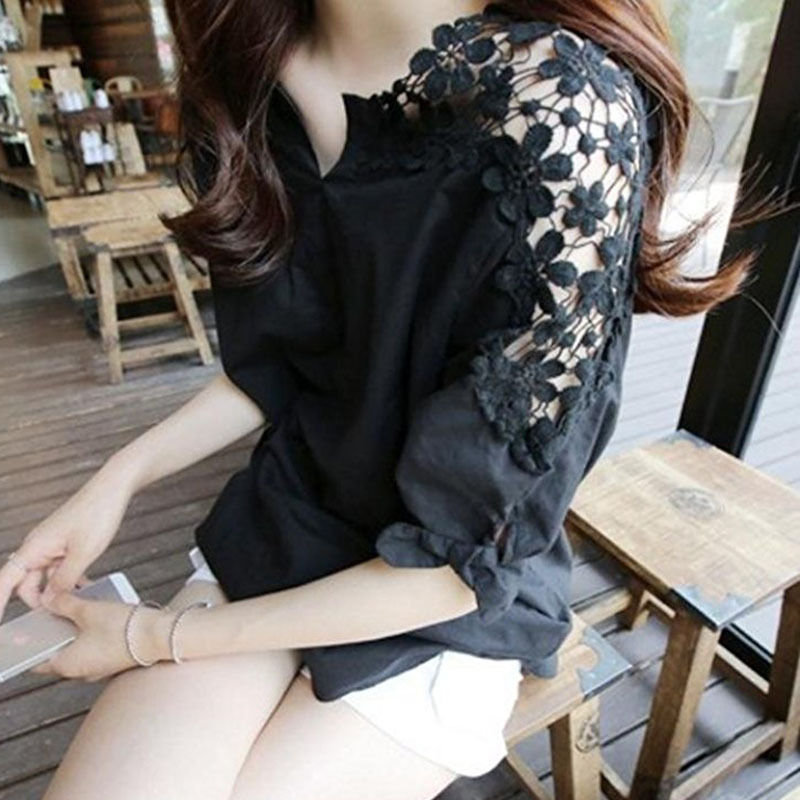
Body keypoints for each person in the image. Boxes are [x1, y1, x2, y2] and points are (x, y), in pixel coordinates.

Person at [0, 1, 754, 798]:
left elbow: (455, 562)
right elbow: (282, 363)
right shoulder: (252, 69)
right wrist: (117, 478)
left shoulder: (563, 104)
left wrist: (155, 636)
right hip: (293, 522)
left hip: (448, 600)